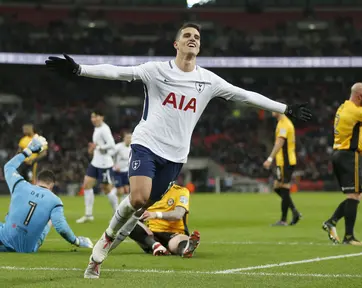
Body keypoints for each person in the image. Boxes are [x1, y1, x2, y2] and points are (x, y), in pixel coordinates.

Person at [45, 22, 312, 278]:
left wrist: (285, 108)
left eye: (196, 37)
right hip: (146, 144)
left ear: (200, 46)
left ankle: (98, 257)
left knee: (140, 208)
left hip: (175, 157)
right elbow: (118, 71)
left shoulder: (208, 80)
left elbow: (245, 95)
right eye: (187, 35)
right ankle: (104, 243)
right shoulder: (156, 71)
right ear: (176, 43)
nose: (193, 39)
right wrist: (79, 69)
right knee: (138, 198)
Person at [0, 135, 94, 252]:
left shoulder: (20, 185)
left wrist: (28, 151)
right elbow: (61, 227)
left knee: (7, 222)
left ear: (36, 181)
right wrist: (77, 241)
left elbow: (8, 166)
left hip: (4, 239)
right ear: (52, 185)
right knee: (50, 220)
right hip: (27, 249)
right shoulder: (55, 201)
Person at [322, 83, 362, 246]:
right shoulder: (357, 111)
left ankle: (331, 222)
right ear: (361, 96)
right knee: (354, 196)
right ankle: (348, 237)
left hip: (339, 154)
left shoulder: (343, 107)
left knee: (356, 195)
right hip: (348, 155)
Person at [110, 184, 199, 258]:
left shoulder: (181, 191)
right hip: (150, 234)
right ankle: (155, 245)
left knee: (178, 243)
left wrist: (156, 214)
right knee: (129, 221)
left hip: (174, 233)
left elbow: (178, 214)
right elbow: (137, 215)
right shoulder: (148, 193)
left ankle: (186, 248)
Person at [76, 110, 117, 224]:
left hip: (104, 164)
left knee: (107, 189)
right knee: (87, 185)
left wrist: (97, 147)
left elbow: (112, 145)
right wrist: (93, 149)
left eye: (96, 117)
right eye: (92, 117)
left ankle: (117, 213)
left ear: (102, 117)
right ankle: (88, 215)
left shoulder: (104, 129)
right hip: (95, 162)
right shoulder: (97, 128)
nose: (93, 119)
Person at [263, 111, 302, 226]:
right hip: (282, 162)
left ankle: (283, 220)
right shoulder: (281, 122)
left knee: (284, 188)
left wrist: (270, 158)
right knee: (277, 187)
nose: (271, 111)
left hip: (286, 161)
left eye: (273, 109)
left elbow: (280, 142)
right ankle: (294, 212)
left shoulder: (284, 124)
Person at [110, 132, 132, 200]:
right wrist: (114, 165)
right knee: (120, 191)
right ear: (124, 138)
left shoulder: (132, 147)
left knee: (127, 190)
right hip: (118, 172)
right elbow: (109, 155)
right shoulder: (118, 147)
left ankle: (123, 208)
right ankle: (112, 194)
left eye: (130, 138)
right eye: (127, 138)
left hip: (127, 172)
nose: (129, 139)